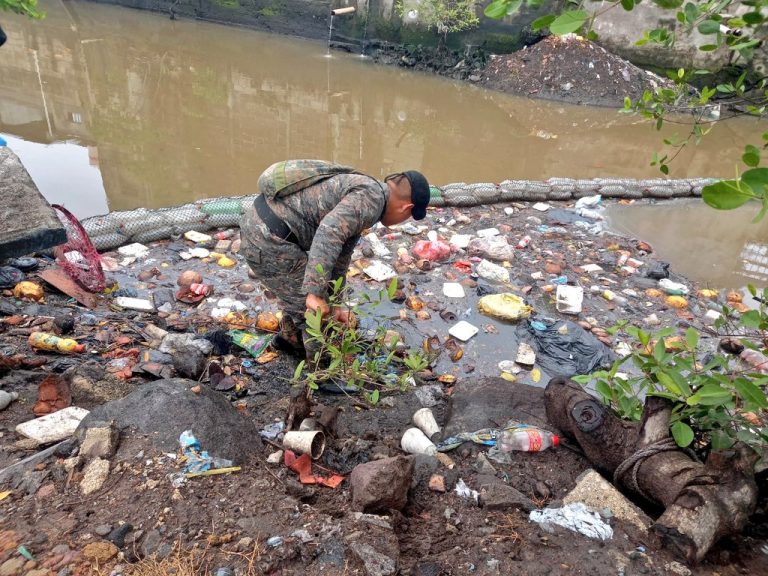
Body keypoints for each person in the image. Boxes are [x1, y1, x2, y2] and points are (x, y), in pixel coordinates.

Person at [240, 161, 430, 360]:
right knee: (315, 312)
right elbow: (328, 233)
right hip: (266, 238)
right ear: (406, 208)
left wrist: (336, 302)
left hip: (262, 229)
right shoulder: (371, 200)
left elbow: (341, 256)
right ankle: (319, 368)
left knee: (301, 293)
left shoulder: (370, 193)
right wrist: (315, 293)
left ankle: (291, 340)